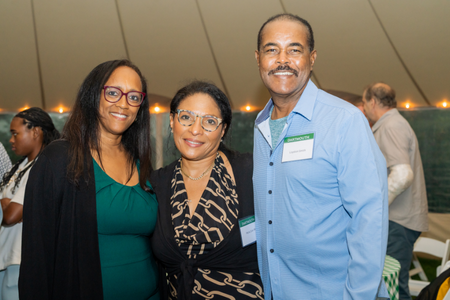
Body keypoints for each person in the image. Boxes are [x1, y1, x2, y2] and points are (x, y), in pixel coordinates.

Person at [253, 13, 389, 299]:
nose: (282, 60)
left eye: (294, 49)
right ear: (258, 59)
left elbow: (369, 219)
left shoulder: (345, 121)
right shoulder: (260, 125)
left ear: (312, 59)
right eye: (271, 49)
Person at [19, 59, 159, 300]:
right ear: (93, 96)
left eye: (134, 97)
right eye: (113, 93)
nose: (124, 104)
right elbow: (36, 257)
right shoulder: (59, 159)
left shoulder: (141, 164)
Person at [150, 81, 263, 300]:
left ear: (223, 130)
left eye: (209, 122)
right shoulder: (155, 184)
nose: (195, 130)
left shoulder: (252, 173)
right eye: (186, 117)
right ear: (172, 121)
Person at [362, 82, 428, 300]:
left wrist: (375, 207)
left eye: (364, 102)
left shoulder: (391, 126)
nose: (364, 107)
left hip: (398, 220)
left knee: (394, 289)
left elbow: (402, 175)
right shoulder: (394, 124)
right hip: (400, 218)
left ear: (372, 101)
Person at [0, 107, 60, 300]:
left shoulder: (40, 169)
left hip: (20, 260)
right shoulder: (22, 168)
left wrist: (3, 199)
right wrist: (8, 202)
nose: (11, 140)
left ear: (35, 132)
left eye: (16, 134)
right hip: (6, 256)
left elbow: (11, 216)